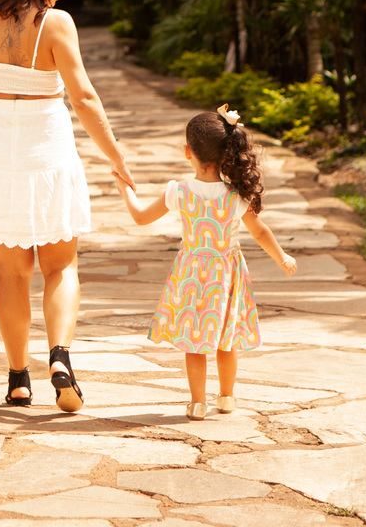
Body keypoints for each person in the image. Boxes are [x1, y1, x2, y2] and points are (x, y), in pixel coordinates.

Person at [0, 0, 135, 413]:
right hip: (46, 152)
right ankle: (59, 357)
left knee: (11, 274)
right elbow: (84, 97)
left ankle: (17, 379)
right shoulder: (56, 24)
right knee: (61, 265)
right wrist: (116, 156)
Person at [113, 105, 297, 420]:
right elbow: (261, 232)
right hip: (226, 275)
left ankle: (197, 403)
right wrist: (282, 256)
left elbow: (141, 217)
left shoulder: (179, 192)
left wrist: (125, 191)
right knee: (227, 339)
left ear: (189, 152)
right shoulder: (236, 196)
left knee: (194, 341)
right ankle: (226, 398)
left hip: (191, 274)